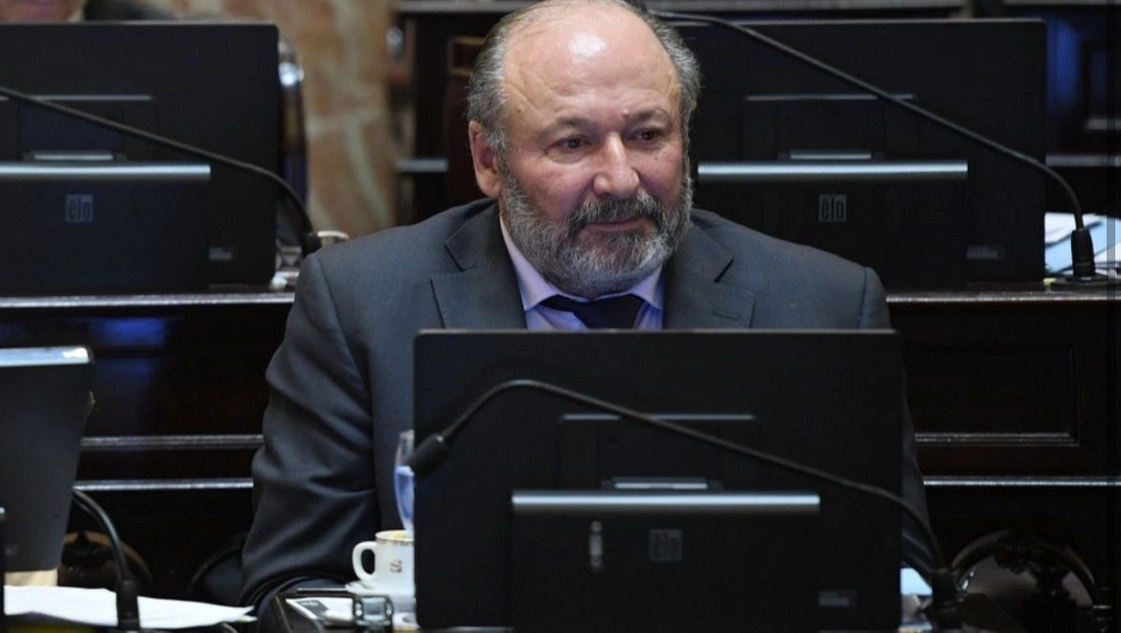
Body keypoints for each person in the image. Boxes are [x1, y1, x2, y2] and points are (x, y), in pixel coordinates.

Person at [240, 0, 935, 622]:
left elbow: (897, 579)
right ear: (488, 159)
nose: (621, 179)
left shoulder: (824, 303)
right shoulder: (360, 303)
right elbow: (293, 583)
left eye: (648, 135)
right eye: (572, 143)